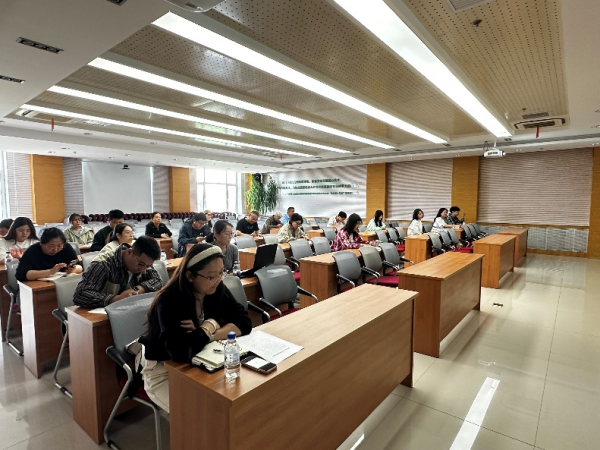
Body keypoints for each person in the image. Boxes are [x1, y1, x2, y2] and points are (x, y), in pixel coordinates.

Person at [140, 243, 252, 413]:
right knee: (199, 415)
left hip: (202, 360)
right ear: (190, 276)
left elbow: (244, 322)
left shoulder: (216, 288)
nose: (218, 280)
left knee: (232, 404)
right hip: (163, 370)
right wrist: (209, 325)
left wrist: (208, 332)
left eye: (221, 273)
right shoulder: (170, 300)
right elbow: (180, 352)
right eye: (211, 276)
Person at [73, 236, 162, 309]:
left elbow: (157, 280)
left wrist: (136, 290)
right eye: (140, 264)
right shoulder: (103, 264)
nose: (143, 269)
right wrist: (115, 299)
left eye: (148, 266)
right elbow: (80, 295)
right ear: (129, 252)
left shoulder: (144, 262)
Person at [16, 227, 82, 281]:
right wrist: (50, 272)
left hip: (61, 283)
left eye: (59, 246)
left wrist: (74, 269)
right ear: (41, 243)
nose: (55, 249)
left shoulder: (66, 247)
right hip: (38, 287)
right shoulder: (32, 251)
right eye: (51, 246)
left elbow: (79, 266)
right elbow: (21, 274)